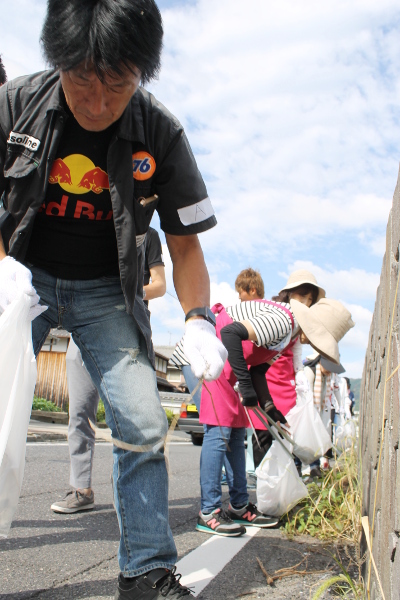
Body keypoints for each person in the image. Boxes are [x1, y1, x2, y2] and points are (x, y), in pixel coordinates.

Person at [0, 2, 228, 598]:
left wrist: (199, 321)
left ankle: (147, 570)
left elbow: (184, 247)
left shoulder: (161, 132)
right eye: (81, 81)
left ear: (142, 73)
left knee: (144, 418)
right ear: (57, 61)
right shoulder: (14, 104)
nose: (98, 104)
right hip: (22, 277)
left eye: (118, 85)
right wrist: (2, 269)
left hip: (105, 290)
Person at [51, 226, 166, 514]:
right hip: (83, 326)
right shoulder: (98, 226)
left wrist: (118, 292)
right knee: (79, 412)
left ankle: (131, 496)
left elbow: (160, 284)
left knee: (133, 419)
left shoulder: (148, 234)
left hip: (126, 327)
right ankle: (81, 489)